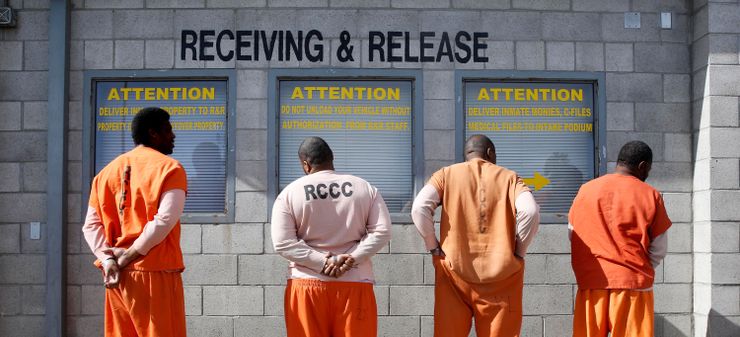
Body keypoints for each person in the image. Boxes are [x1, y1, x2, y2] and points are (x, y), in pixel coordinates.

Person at [411, 134, 540, 337]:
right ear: (490, 153)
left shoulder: (445, 175)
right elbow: (529, 211)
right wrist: (518, 252)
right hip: (502, 276)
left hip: (453, 272)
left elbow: (419, 208)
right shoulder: (510, 178)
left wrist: (433, 247)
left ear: (467, 154)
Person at [82, 107, 188, 337]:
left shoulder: (105, 174)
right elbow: (164, 220)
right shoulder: (170, 168)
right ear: (153, 133)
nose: (173, 135)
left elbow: (91, 225)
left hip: (117, 276)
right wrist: (129, 255)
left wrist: (109, 259)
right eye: (168, 129)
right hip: (154, 270)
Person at [271, 136, 392, 337]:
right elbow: (382, 231)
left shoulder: (290, 193)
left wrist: (323, 262)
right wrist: (351, 259)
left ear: (306, 164)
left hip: (307, 285)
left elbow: (283, 243)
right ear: (332, 159)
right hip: (355, 283)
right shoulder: (364, 188)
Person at [569, 140, 671, 337]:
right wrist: (639, 266)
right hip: (632, 285)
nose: (647, 175)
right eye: (648, 169)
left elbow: (573, 233)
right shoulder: (650, 195)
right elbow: (659, 247)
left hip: (591, 283)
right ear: (642, 166)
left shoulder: (586, 190)